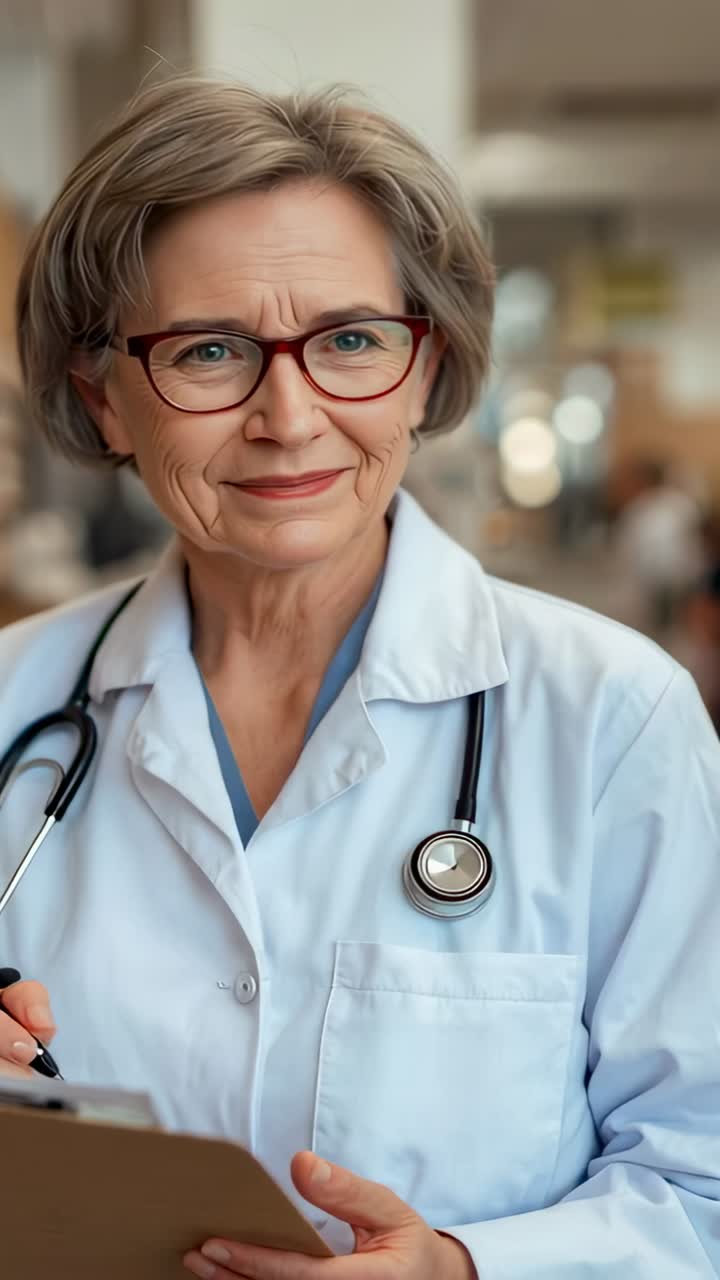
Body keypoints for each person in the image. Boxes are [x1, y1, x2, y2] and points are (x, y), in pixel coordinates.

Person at [0, 76, 718, 1280]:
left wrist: (461, 1267)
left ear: (425, 366)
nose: (291, 415)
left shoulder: (608, 717)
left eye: (349, 341)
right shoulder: (15, 701)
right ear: (102, 397)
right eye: (210, 350)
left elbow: (702, 1184)